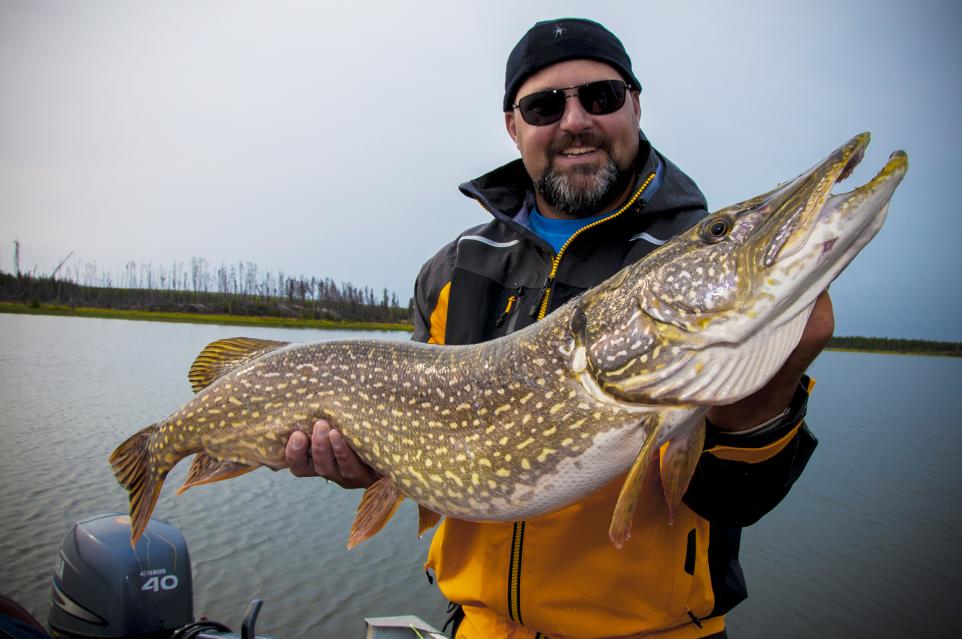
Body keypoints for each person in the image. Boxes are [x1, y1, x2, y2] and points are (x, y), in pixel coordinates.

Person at [286, 18, 831, 639]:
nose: (575, 121)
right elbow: (418, 437)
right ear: (513, 126)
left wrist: (775, 383)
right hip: (480, 627)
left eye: (600, 97)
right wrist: (372, 459)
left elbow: (743, 499)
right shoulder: (452, 268)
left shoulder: (692, 260)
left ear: (635, 104)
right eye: (545, 105)